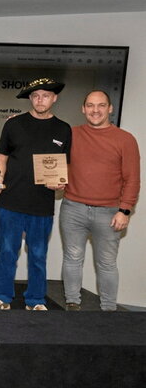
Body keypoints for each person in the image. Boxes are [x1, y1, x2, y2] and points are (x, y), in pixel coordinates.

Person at [0, 78, 71, 311]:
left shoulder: (63, 129)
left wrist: (60, 184)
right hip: (10, 201)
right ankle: (1, 296)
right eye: (35, 96)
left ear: (54, 98)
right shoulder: (13, 124)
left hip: (41, 205)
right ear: (30, 99)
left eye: (45, 95)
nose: (40, 99)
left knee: (38, 255)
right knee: (5, 252)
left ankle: (35, 300)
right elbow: (1, 158)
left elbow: (65, 166)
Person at [60, 90, 140, 311]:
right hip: (73, 208)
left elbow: (132, 179)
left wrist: (124, 211)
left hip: (110, 212)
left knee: (106, 264)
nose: (95, 110)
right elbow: (45, 145)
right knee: (72, 259)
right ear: (83, 109)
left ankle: (108, 311)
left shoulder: (126, 140)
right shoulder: (71, 134)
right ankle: (72, 305)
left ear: (110, 108)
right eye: (91, 105)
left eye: (101, 105)